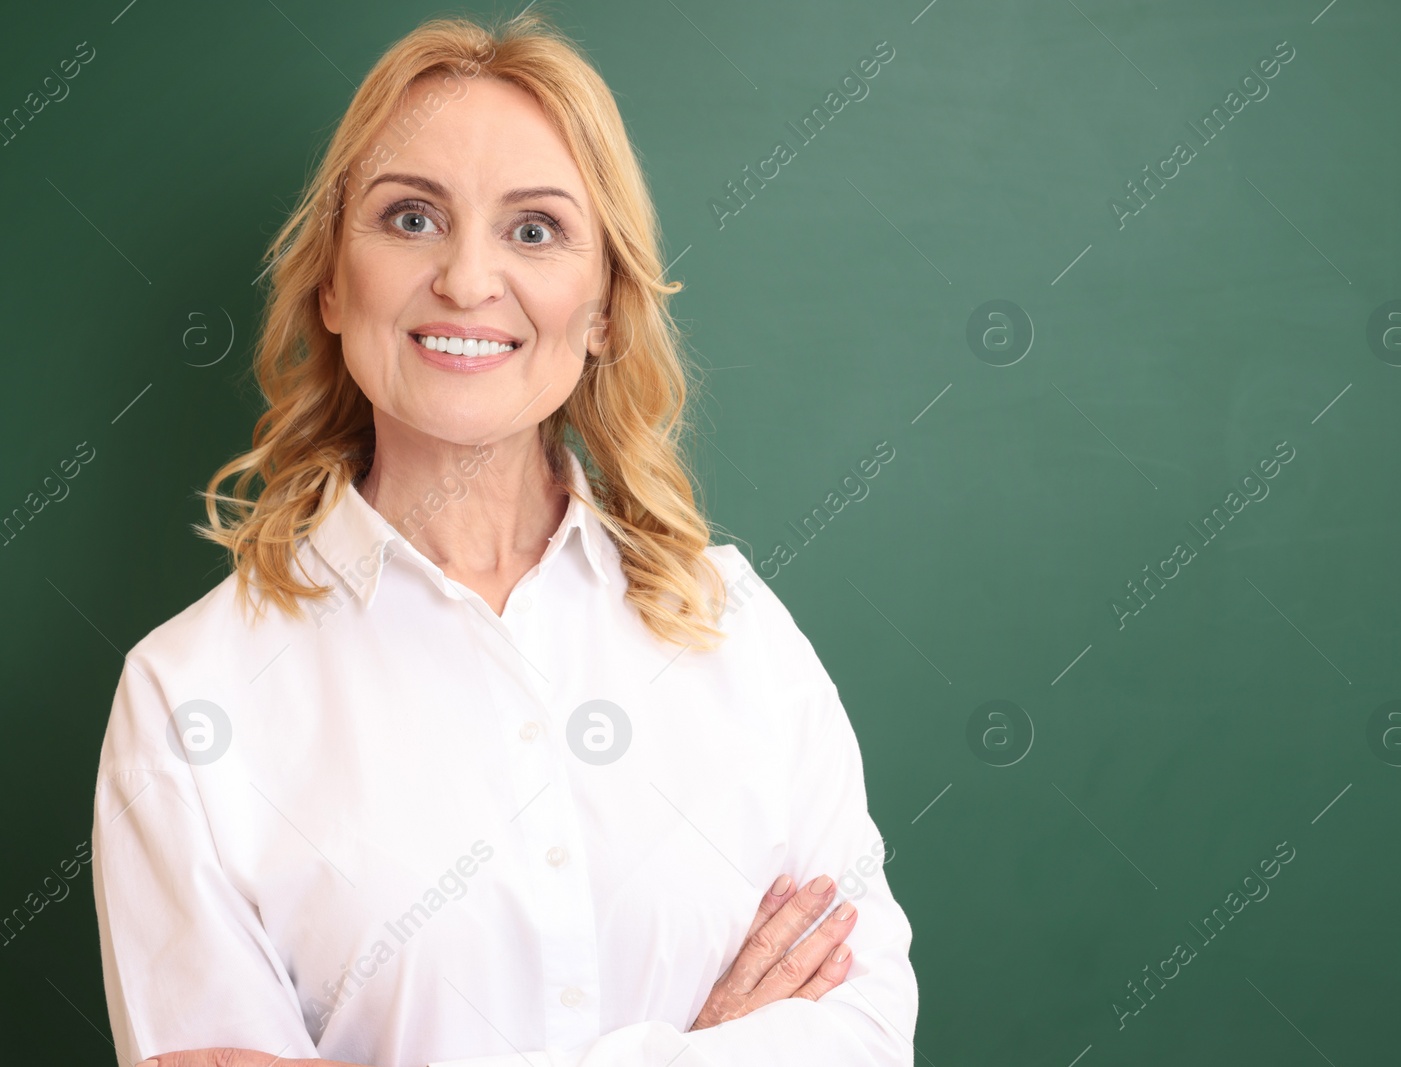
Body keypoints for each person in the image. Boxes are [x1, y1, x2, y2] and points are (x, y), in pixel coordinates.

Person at [90, 11, 916, 1066]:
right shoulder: (187, 700)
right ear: (334, 283)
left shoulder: (736, 631)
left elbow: (859, 1035)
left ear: (606, 304)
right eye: (410, 218)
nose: (469, 280)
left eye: (534, 230)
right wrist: (702, 1047)